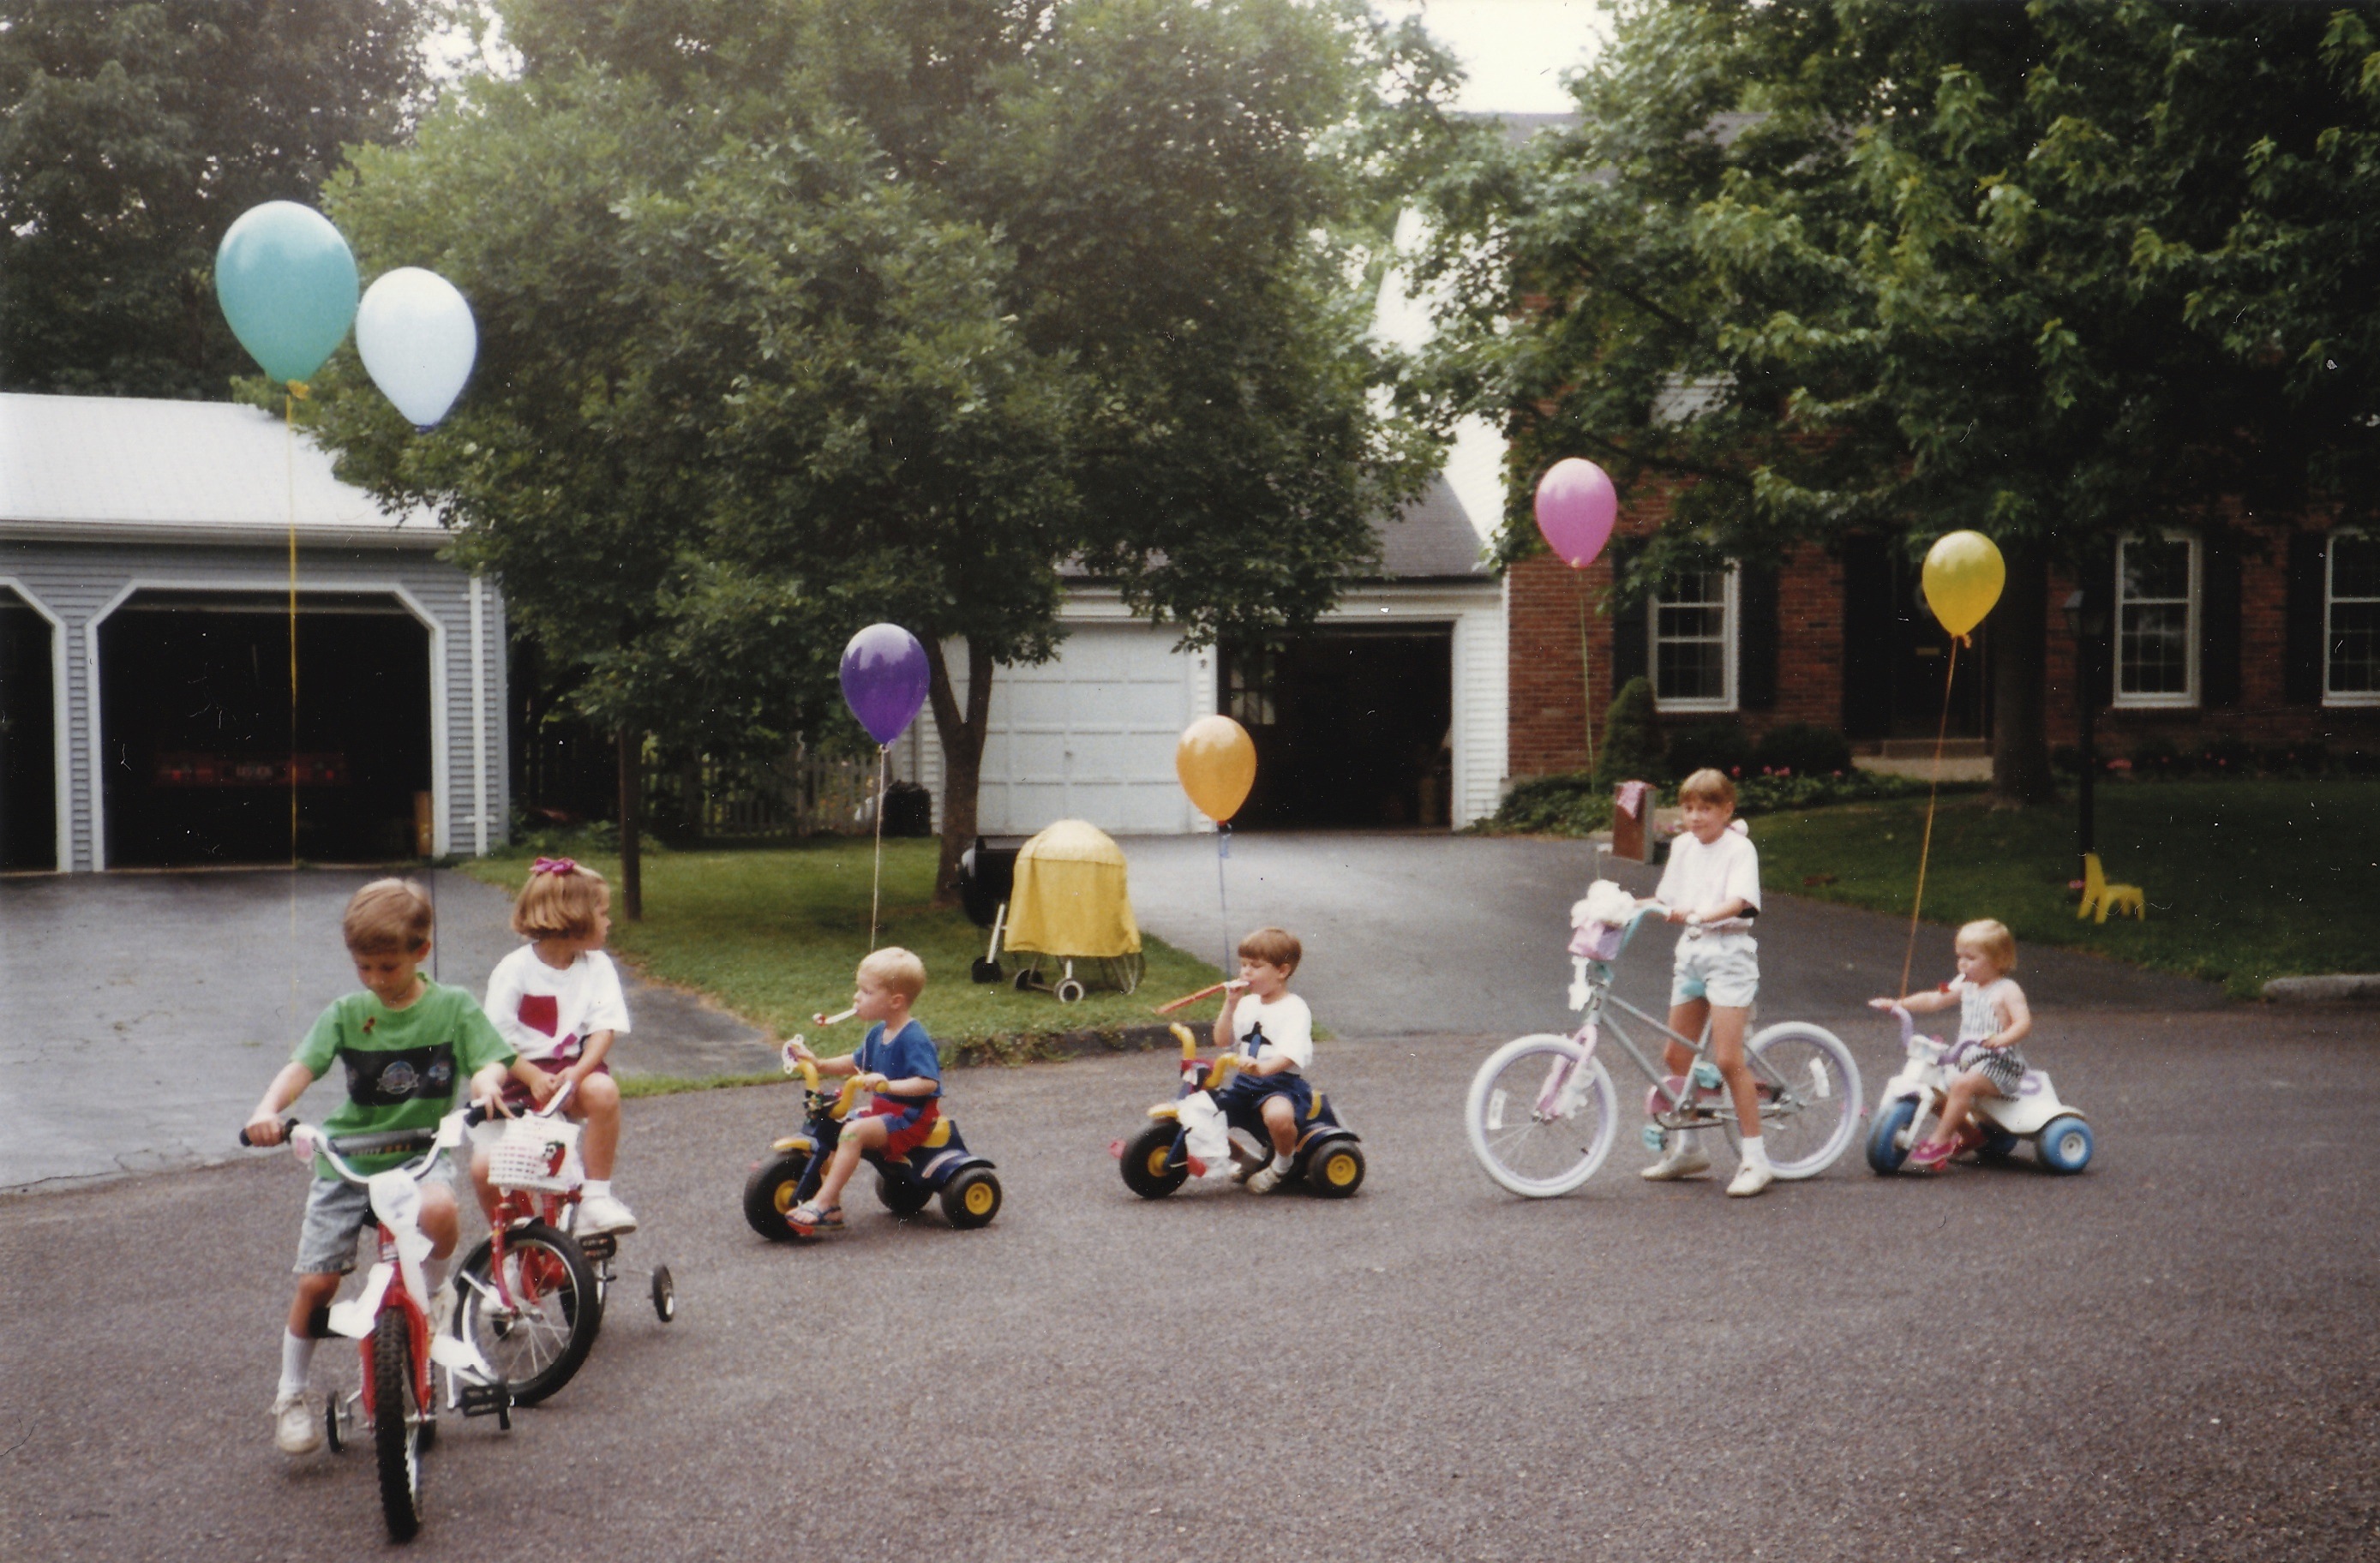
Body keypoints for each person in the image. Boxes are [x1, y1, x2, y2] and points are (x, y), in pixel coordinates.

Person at [242, 877, 517, 1456]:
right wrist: (269, 1110)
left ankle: (432, 1300)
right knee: (319, 1281)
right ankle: (290, 1394)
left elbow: (488, 1061)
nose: (374, 980)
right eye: (363, 967)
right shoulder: (347, 1013)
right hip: (347, 1161)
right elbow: (302, 1067)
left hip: (419, 1156)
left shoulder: (453, 1007)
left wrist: (488, 1086)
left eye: (387, 967)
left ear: (422, 952)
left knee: (441, 1211)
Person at [471, 857, 638, 1236]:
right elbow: (495, 1039)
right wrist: (530, 1076)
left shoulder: (597, 966)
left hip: (571, 1072)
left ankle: (596, 1197)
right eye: (603, 913)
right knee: (486, 1169)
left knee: (604, 1091)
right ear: (574, 919)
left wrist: (578, 1073)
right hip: (518, 1075)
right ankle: (515, 1244)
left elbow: (603, 1028)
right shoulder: (514, 969)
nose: (609, 922)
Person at [1638, 769, 1774, 1197]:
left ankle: (1756, 1159)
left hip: (1729, 956)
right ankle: (1690, 1148)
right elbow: (1667, 898)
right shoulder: (1681, 846)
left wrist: (1702, 913)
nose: (1695, 817)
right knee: (1677, 1056)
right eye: (1689, 808)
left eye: (1706, 808)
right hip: (1693, 955)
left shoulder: (1740, 848)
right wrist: (1625, 905)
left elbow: (1742, 901)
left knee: (1729, 1059)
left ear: (1726, 810)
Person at [782, 947, 940, 1236]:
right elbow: (856, 1062)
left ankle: (824, 1200)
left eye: (866, 992)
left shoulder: (914, 1038)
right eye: (859, 989)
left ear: (896, 1001)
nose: (857, 997)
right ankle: (832, 1207)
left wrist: (887, 1084)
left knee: (852, 1133)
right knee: (832, 1126)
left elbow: (928, 1082)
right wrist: (819, 1063)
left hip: (911, 1117)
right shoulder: (878, 1032)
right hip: (885, 1112)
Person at [1870, 919, 2033, 1171]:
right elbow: (1935, 999)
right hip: (1968, 1058)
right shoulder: (1966, 984)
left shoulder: (2007, 990)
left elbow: (2023, 1023)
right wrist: (1899, 1003)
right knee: (1933, 1086)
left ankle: (1940, 1140)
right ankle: (1970, 1135)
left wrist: (2003, 1038)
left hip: (2000, 1063)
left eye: (1971, 958)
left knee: (1962, 1085)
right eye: (1960, 957)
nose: (1962, 964)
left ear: (1998, 959)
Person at [1209, 926, 1316, 1194]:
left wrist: (1262, 1068)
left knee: (1279, 1117)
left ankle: (1282, 1166)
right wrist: (1231, 1004)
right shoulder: (1248, 1004)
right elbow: (1222, 1040)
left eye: (1255, 966)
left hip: (1279, 1084)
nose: (1245, 972)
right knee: (1206, 1117)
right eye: (1243, 965)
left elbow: (1290, 1054)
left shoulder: (1294, 1008)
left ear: (1282, 971)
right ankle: (1250, 1161)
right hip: (1245, 1082)